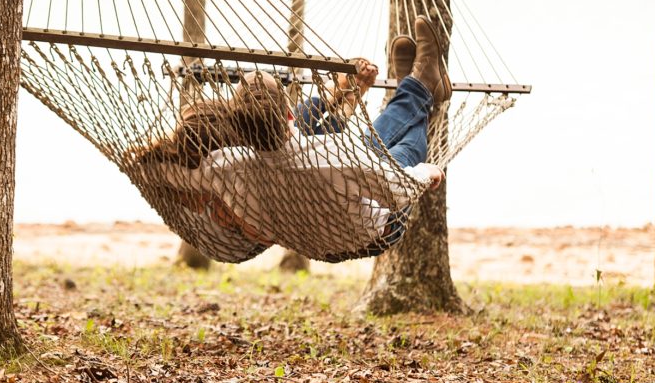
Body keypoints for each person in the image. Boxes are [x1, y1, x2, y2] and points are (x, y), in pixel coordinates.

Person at [132, 16, 451, 262]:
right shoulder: (329, 156)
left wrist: (194, 195)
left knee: (368, 147)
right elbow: (397, 189)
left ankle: (418, 86)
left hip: (317, 243)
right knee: (406, 149)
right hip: (375, 232)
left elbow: (146, 169)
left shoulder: (227, 164)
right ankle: (421, 86)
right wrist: (428, 172)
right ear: (287, 114)